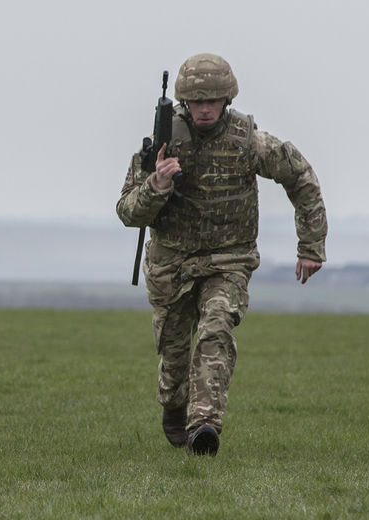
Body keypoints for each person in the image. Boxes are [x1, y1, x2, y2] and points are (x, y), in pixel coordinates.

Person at [117, 53, 327, 456]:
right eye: (197, 101)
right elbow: (127, 212)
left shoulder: (249, 141)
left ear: (227, 100)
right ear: (184, 103)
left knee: (216, 330)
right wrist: (156, 186)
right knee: (174, 360)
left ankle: (205, 426)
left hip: (228, 261)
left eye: (213, 100)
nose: (206, 108)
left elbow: (301, 177)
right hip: (171, 266)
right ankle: (176, 407)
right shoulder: (161, 144)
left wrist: (311, 245)